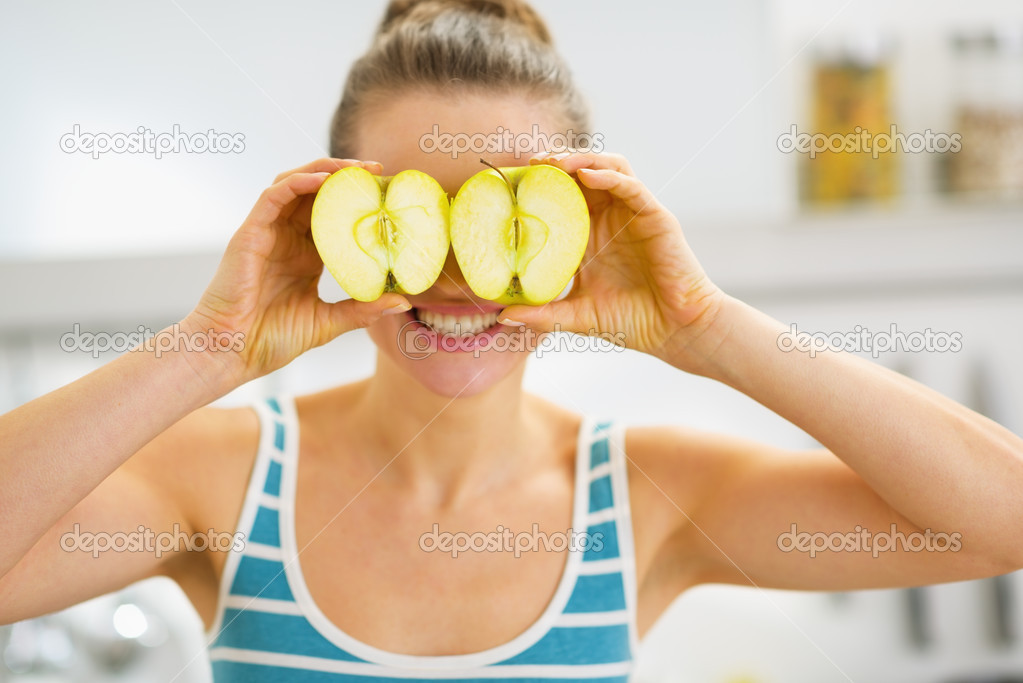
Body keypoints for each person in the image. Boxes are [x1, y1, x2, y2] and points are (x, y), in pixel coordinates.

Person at [3, 0, 1023, 680]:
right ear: (331, 216)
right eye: (411, 215)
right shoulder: (223, 476)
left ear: (585, 223)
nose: (456, 272)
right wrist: (209, 347)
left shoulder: (647, 496)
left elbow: (1002, 520)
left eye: (504, 215)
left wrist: (707, 327)